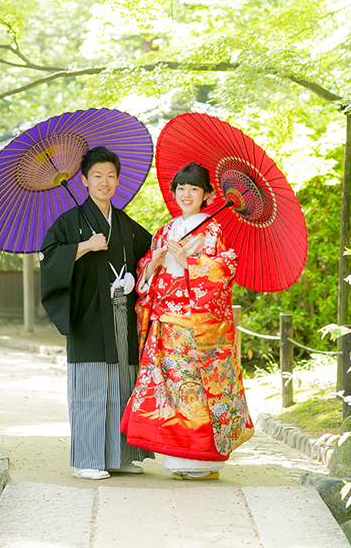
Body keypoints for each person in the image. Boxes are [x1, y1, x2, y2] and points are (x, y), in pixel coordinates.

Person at [120, 161, 254, 480]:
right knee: (168, 394)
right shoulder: (166, 230)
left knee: (195, 394)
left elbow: (225, 271)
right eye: (181, 188)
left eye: (194, 189)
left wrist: (189, 263)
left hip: (195, 330)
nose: (186, 194)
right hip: (164, 327)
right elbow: (146, 274)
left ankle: (203, 463)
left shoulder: (212, 230)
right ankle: (177, 461)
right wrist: (152, 265)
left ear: (207, 195)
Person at [40, 146, 154, 480]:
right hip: (88, 315)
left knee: (123, 382)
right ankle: (87, 460)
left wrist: (140, 273)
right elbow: (48, 259)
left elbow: (148, 253)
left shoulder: (125, 223)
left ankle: (121, 456)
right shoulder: (69, 222)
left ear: (118, 180)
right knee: (91, 386)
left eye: (111, 176)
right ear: (85, 180)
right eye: (97, 176)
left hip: (121, 313)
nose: (105, 182)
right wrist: (85, 246)